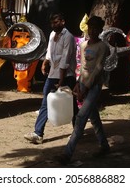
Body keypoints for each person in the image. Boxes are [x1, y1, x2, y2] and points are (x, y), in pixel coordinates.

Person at [55, 15, 110, 165]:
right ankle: (105, 146)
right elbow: (83, 68)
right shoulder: (83, 45)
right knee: (94, 118)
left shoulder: (103, 47)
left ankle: (67, 154)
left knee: (80, 118)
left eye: (96, 28)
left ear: (100, 30)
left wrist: (85, 88)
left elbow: (98, 69)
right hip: (83, 85)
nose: (92, 31)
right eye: (90, 27)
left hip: (94, 86)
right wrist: (79, 84)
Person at [24, 11, 77, 144]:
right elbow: (49, 51)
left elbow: (65, 60)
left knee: (72, 105)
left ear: (63, 22)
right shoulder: (53, 34)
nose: (54, 25)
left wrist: (61, 80)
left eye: (56, 22)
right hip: (53, 74)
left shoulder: (68, 37)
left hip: (66, 76)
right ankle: (38, 133)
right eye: (52, 23)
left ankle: (77, 132)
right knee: (46, 103)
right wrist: (45, 62)